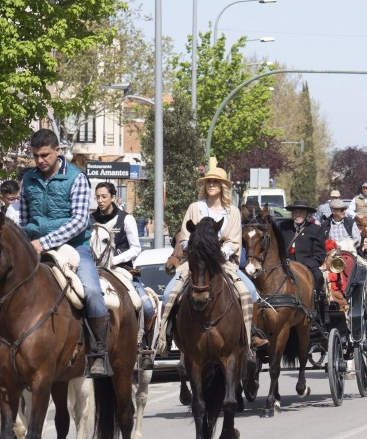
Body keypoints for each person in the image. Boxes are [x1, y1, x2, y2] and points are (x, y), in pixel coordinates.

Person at [16, 128, 110, 378]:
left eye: (45, 155)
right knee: (0, 288)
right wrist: (25, 243)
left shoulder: (77, 178)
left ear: (58, 151)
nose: (39, 161)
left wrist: (45, 242)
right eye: (35, 156)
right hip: (34, 247)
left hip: (75, 247)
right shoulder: (28, 180)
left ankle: (99, 352)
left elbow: (80, 221)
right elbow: (24, 219)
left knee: (91, 291)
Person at [155, 165, 264, 365]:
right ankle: (166, 334)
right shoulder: (194, 208)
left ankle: (251, 335)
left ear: (223, 186)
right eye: (209, 182)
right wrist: (196, 247)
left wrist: (220, 252)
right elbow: (185, 237)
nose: (211, 185)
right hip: (196, 263)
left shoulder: (232, 212)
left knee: (249, 291)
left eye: (216, 182)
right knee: (169, 292)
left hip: (223, 263)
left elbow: (234, 241)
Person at [91, 181, 156, 370]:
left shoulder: (126, 219)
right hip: (94, 270)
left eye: (104, 197)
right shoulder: (91, 218)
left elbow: (136, 248)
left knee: (146, 304)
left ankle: (144, 348)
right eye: (98, 197)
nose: (101, 201)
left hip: (121, 270)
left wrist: (115, 260)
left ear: (112, 197)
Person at [275, 200, 327, 301]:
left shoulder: (316, 229)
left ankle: (317, 305)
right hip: (285, 263)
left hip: (306, 264)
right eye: (295, 212)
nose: (297, 215)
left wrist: (305, 265)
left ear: (306, 214)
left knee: (319, 276)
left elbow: (319, 255)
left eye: (301, 212)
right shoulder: (283, 227)